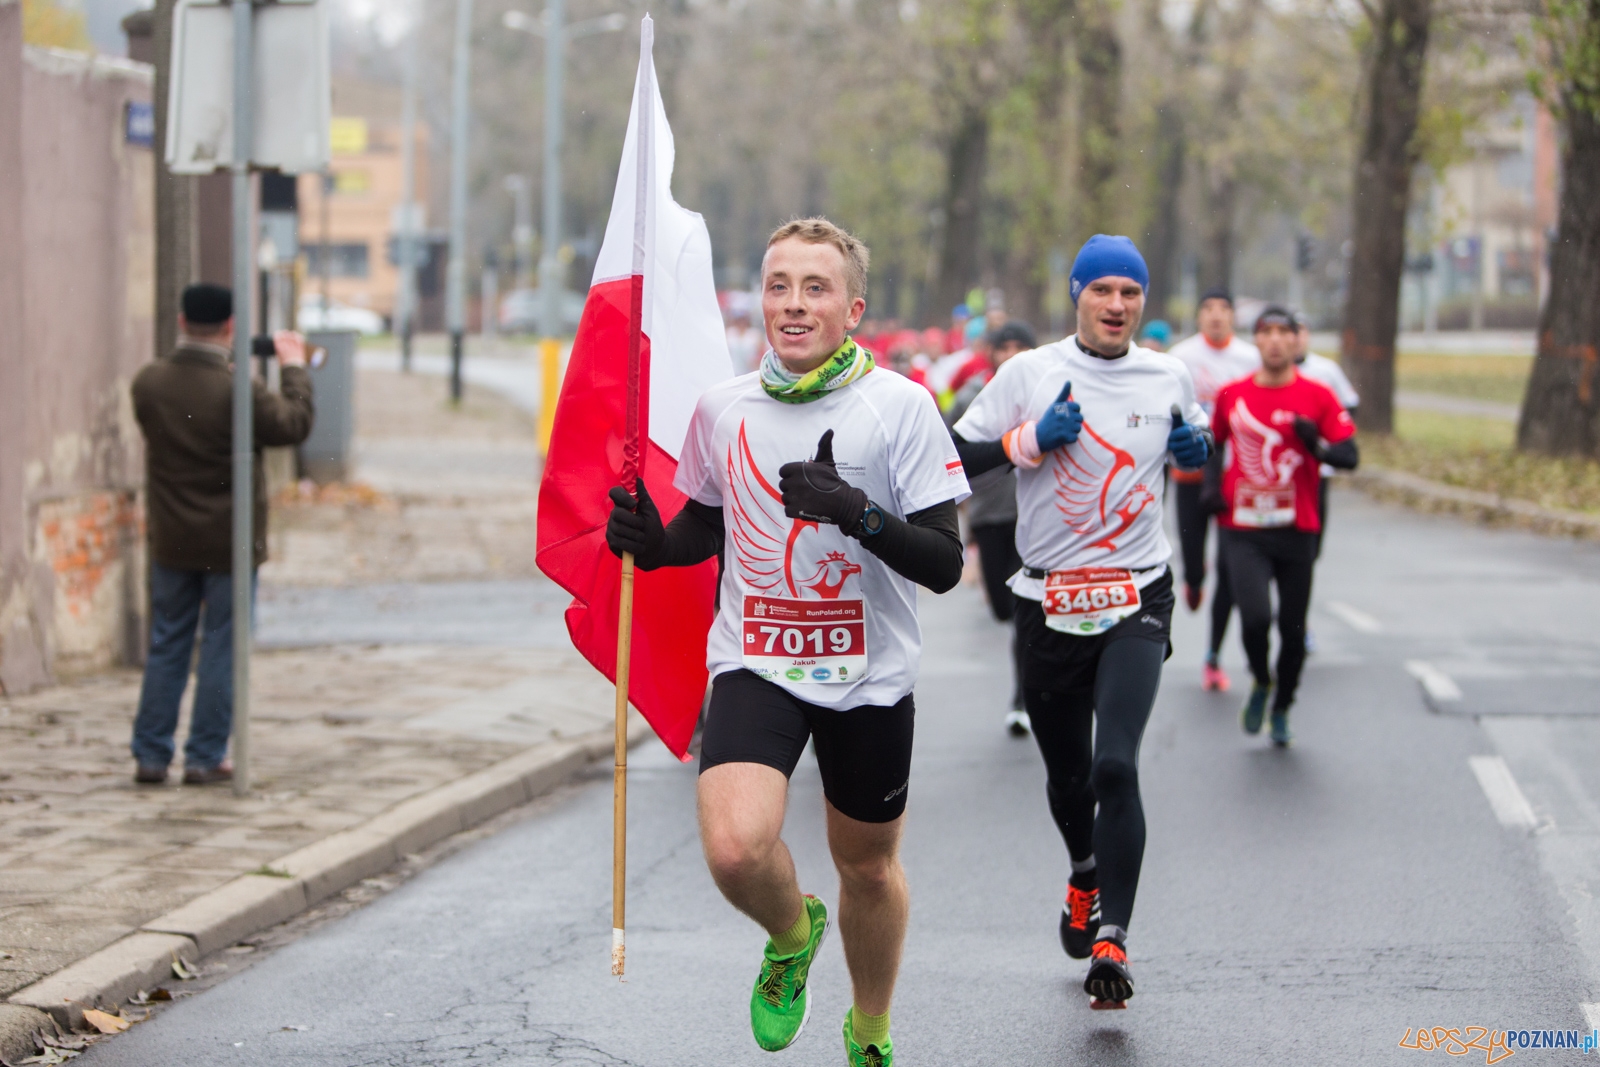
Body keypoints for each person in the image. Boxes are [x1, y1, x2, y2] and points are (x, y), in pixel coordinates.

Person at [605, 218, 968, 1067]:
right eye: (778, 285)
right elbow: (704, 521)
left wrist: (856, 512)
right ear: (759, 300)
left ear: (853, 308)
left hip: (869, 676)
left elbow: (946, 563)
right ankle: (790, 930)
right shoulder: (723, 408)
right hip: (756, 658)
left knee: (868, 868)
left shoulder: (901, 407)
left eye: (815, 288)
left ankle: (870, 1025)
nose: (794, 304)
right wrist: (653, 542)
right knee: (735, 847)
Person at [951, 235, 1210, 1008]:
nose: (1117, 305)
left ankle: (1113, 938)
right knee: (1068, 777)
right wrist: (1028, 441)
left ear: (1142, 300)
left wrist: (1198, 451)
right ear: (1078, 296)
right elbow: (950, 459)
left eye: (1131, 293)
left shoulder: (1169, 375)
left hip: (1137, 595)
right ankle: (1084, 873)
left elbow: (1193, 451)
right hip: (1048, 601)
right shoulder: (1028, 374)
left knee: (1116, 766)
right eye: (1103, 291)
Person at [129, 284, 315, 785]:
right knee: (221, 647)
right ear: (231, 327)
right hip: (229, 544)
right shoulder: (238, 392)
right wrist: (292, 365)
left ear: (181, 320)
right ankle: (205, 756)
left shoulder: (149, 383)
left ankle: (150, 754)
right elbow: (293, 424)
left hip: (172, 540)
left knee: (168, 642)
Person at [1211, 306, 1357, 747]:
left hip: (1298, 528)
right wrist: (1210, 489)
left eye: (1283, 333)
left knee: (1293, 632)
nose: (1275, 340)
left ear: (1296, 341)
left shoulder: (1318, 395)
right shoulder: (1232, 394)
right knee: (1255, 619)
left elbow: (1350, 457)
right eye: (1266, 332)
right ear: (1255, 341)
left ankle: (1282, 705)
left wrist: (1316, 444)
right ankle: (1260, 679)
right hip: (1244, 528)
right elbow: (1214, 442)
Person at [945, 320, 1037, 736]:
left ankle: (1023, 697)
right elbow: (946, 449)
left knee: (1023, 611)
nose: (1012, 354)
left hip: (1031, 516)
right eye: (1005, 346)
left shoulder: (1046, 391)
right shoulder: (972, 395)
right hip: (987, 514)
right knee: (1003, 606)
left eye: (1022, 346)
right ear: (992, 353)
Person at [1167, 288, 1260, 691]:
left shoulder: (1249, 359)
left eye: (1224, 309)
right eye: (1208, 309)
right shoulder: (1181, 358)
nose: (1217, 316)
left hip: (1232, 476)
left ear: (1233, 317)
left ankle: (1213, 656)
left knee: (1230, 566)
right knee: (1194, 559)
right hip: (1190, 473)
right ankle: (1192, 579)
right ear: (1200, 316)